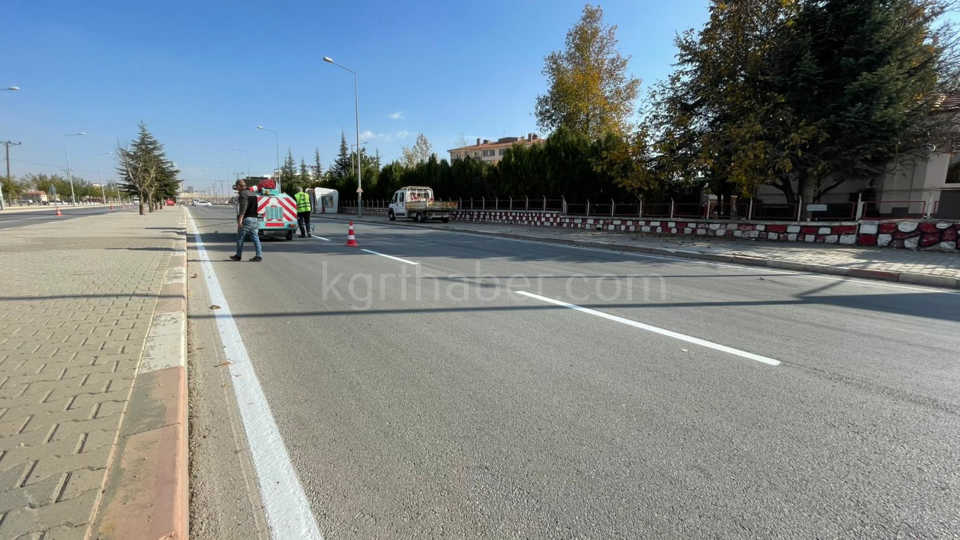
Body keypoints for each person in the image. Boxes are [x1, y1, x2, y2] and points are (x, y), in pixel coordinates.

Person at [231, 180, 262, 262]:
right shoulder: (253, 194)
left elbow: (243, 208)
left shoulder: (243, 194)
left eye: (236, 186)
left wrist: (240, 220)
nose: (236, 188)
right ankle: (258, 256)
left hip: (246, 219)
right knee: (255, 238)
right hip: (254, 218)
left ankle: (238, 256)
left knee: (240, 238)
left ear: (239, 186)